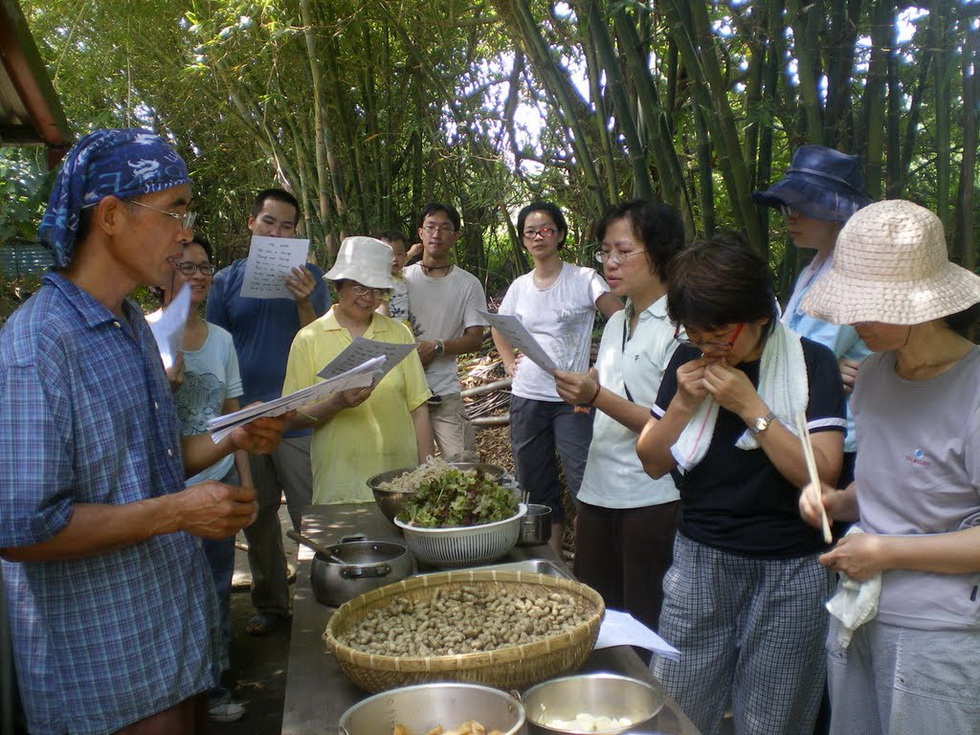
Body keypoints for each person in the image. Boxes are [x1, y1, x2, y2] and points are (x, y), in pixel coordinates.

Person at [0, 129, 284, 734]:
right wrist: (177, 515)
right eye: (173, 208)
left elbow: (146, 466)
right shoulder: (38, 344)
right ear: (109, 216)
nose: (185, 231)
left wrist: (233, 435)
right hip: (105, 674)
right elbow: (22, 528)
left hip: (171, 643)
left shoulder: (130, 324)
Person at [635, 234, 846, 735]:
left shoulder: (811, 363)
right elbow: (652, 461)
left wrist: (753, 409)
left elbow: (822, 473)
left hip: (792, 570)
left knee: (774, 720)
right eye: (695, 334)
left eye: (718, 334)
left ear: (758, 317)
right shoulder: (688, 362)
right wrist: (684, 405)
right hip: (701, 558)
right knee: (676, 711)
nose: (708, 347)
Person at [797, 200, 980, 735]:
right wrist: (838, 501)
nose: (854, 322)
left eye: (869, 306)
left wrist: (886, 551)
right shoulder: (873, 374)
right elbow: (893, 481)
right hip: (857, 612)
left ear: (922, 305)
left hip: (938, 633)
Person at [552, 199, 683, 631]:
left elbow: (669, 425)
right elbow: (614, 375)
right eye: (604, 252)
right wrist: (587, 383)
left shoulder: (683, 327)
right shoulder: (614, 321)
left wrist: (596, 395)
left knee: (646, 624)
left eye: (623, 251)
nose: (610, 262)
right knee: (597, 620)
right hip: (597, 492)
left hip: (652, 498)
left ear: (661, 251)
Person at [206, 188, 330, 637]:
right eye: (269, 223)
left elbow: (321, 342)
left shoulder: (312, 278)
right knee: (256, 517)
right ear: (251, 224)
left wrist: (302, 300)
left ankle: (321, 604)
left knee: (310, 516)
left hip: (297, 419)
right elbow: (216, 346)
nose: (277, 233)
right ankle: (271, 604)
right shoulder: (224, 281)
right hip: (247, 419)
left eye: (287, 226)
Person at [492, 201, 621, 554]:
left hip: (571, 399)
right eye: (530, 231)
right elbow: (500, 327)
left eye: (546, 229)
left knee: (583, 480)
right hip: (527, 396)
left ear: (560, 235)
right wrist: (507, 363)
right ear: (522, 239)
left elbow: (620, 320)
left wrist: (597, 373)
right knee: (536, 485)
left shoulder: (583, 279)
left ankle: (589, 564)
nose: (538, 236)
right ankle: (552, 564)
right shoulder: (520, 286)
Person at [159, 235, 250, 722]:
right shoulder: (142, 335)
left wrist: (245, 481)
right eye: (186, 267)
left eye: (204, 267)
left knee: (216, 588)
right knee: (174, 596)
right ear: (163, 276)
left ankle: (215, 686)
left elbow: (235, 419)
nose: (197, 275)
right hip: (165, 492)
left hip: (216, 483)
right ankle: (179, 694)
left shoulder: (222, 340)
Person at [753, 145, 873, 487]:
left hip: (841, 434)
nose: (790, 216)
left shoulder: (851, 268)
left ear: (837, 211)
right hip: (809, 423)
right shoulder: (817, 265)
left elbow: (803, 355)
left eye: (803, 207)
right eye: (787, 207)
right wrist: (823, 368)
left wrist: (818, 366)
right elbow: (800, 353)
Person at [283, 236, 433, 503]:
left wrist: (427, 473)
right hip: (339, 488)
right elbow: (292, 418)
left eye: (377, 291)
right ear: (339, 285)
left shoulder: (398, 334)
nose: (368, 299)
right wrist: (336, 402)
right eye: (360, 288)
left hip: (400, 483)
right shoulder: (309, 338)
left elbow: (418, 408)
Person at [403, 203, 488, 462]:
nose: (436, 234)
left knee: (464, 462)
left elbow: (475, 338)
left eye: (444, 228)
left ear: (455, 236)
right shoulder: (402, 278)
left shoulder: (468, 284)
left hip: (444, 390)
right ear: (420, 233)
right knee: (406, 468)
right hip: (401, 390)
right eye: (430, 227)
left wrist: (437, 347)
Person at [375, 229, 411, 323]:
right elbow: (383, 306)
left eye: (399, 254)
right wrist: (389, 330)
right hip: (391, 326)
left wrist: (413, 252)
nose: (395, 259)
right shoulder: (384, 280)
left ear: (405, 256)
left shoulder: (399, 275)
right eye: (389, 255)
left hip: (404, 325)